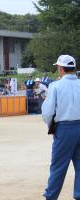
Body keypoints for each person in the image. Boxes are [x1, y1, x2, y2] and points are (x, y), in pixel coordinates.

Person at [42, 55, 80, 200]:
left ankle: (51, 197)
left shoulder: (55, 86)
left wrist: (51, 127)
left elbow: (47, 112)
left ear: (61, 68)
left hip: (64, 128)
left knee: (58, 166)